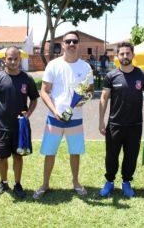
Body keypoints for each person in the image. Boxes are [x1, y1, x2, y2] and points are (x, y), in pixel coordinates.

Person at [33, 31, 94, 199]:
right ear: (63, 44)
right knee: (49, 152)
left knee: (75, 152)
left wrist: (83, 100)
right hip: (54, 118)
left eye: (75, 41)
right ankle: (45, 184)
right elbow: (44, 91)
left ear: (78, 44)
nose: (72, 44)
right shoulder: (53, 65)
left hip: (75, 119)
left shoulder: (85, 67)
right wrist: (54, 111)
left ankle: (76, 182)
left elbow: (90, 91)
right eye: (68, 41)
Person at [0, 46, 39, 198]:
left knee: (18, 156)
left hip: (20, 128)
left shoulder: (27, 79)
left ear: (20, 59)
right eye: (10, 59)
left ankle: (17, 184)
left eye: (16, 58)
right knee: (1, 157)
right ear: (4, 59)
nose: (13, 61)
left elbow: (34, 99)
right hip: (1, 127)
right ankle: (3, 182)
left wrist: (29, 113)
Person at [98, 42, 144, 198]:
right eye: (122, 54)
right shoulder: (111, 76)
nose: (125, 56)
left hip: (135, 125)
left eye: (128, 53)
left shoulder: (143, 75)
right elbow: (104, 98)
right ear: (117, 56)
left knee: (131, 156)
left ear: (133, 55)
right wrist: (101, 121)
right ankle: (109, 182)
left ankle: (126, 182)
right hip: (115, 124)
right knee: (111, 156)